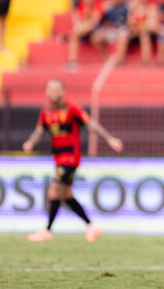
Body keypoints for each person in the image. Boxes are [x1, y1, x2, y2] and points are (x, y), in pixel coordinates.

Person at [22, 78, 123, 242]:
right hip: (58, 156)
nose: (53, 93)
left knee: (54, 190)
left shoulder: (72, 108)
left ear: (63, 91)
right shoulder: (46, 111)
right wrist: (31, 142)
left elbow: (91, 124)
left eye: (56, 89)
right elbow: (40, 130)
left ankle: (47, 231)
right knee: (67, 195)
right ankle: (92, 226)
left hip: (70, 156)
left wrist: (110, 139)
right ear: (46, 92)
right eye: (50, 89)